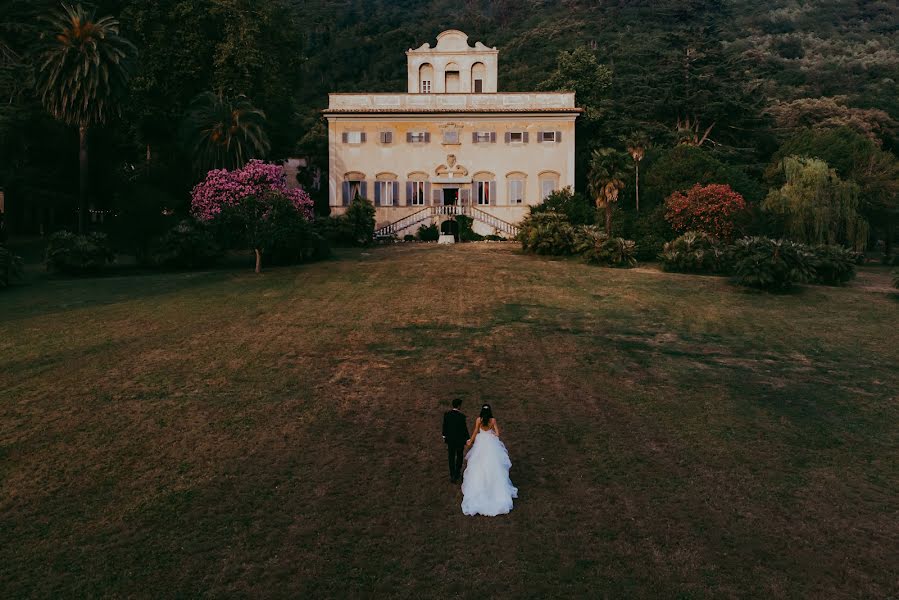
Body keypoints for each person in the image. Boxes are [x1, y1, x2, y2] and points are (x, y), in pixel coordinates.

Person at [461, 404, 518, 516]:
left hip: (481, 443)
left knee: (479, 464)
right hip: (490, 444)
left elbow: (475, 431)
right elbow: (497, 434)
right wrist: (491, 434)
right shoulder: (492, 420)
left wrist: (470, 442)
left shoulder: (479, 420)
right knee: (494, 465)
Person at [442, 398, 469, 484]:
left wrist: (444, 435)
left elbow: (444, 426)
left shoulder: (447, 415)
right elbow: (464, 429)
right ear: (459, 406)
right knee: (459, 456)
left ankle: (452, 474)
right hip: (459, 440)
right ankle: (457, 473)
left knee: (451, 456)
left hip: (450, 440)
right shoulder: (461, 416)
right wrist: (467, 439)